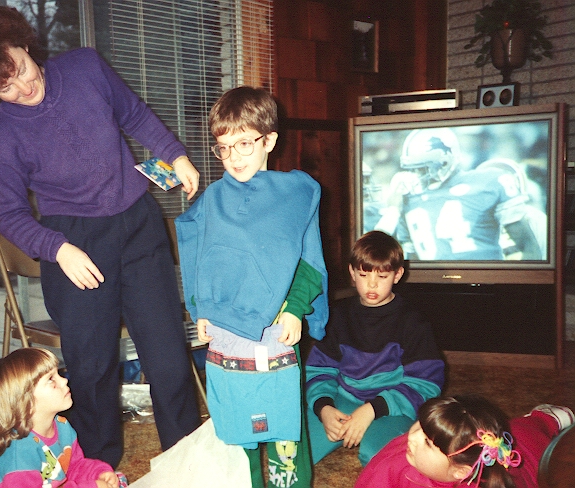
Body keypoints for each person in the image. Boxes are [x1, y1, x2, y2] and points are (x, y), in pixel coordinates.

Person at [0, 5, 201, 468]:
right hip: (74, 246)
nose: (23, 88)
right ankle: (94, 467)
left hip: (138, 225)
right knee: (91, 368)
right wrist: (57, 248)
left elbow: (134, 114)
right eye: (4, 87)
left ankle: (186, 458)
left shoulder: (86, 67)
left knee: (167, 356)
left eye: (19, 68)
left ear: (22, 43)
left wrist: (174, 155)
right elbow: (9, 216)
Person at [175, 86, 330, 488]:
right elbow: (200, 258)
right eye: (224, 148)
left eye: (244, 143)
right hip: (226, 333)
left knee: (284, 428)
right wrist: (201, 309)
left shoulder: (295, 195)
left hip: (277, 330)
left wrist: (295, 308)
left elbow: (309, 262)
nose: (234, 157)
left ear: (269, 141)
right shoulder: (213, 199)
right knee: (236, 426)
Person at [305, 230, 445, 466]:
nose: (371, 284)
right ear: (352, 273)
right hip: (344, 398)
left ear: (397, 275)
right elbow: (319, 369)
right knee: (300, 449)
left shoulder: (413, 322)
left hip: (392, 406)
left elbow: (426, 383)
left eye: (382, 276)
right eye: (363, 274)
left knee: (380, 458)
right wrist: (324, 407)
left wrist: (372, 409)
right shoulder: (338, 316)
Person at [373, 127, 544, 261]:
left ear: (445, 161)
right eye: (414, 169)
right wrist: (393, 209)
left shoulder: (488, 181)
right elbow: (383, 254)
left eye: (423, 168)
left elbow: (529, 247)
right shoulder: (408, 198)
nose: (417, 174)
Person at [0, 347, 128, 488]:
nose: (64, 380)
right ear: (27, 402)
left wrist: (98, 473)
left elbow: (74, 466)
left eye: (58, 374)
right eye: (51, 379)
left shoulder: (62, 425)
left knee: (116, 479)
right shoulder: (19, 455)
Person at [355, 394, 575, 487]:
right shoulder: (396, 458)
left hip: (528, 448)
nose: (411, 437)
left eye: (428, 442)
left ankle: (546, 417)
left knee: (531, 431)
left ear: (460, 472)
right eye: (419, 425)